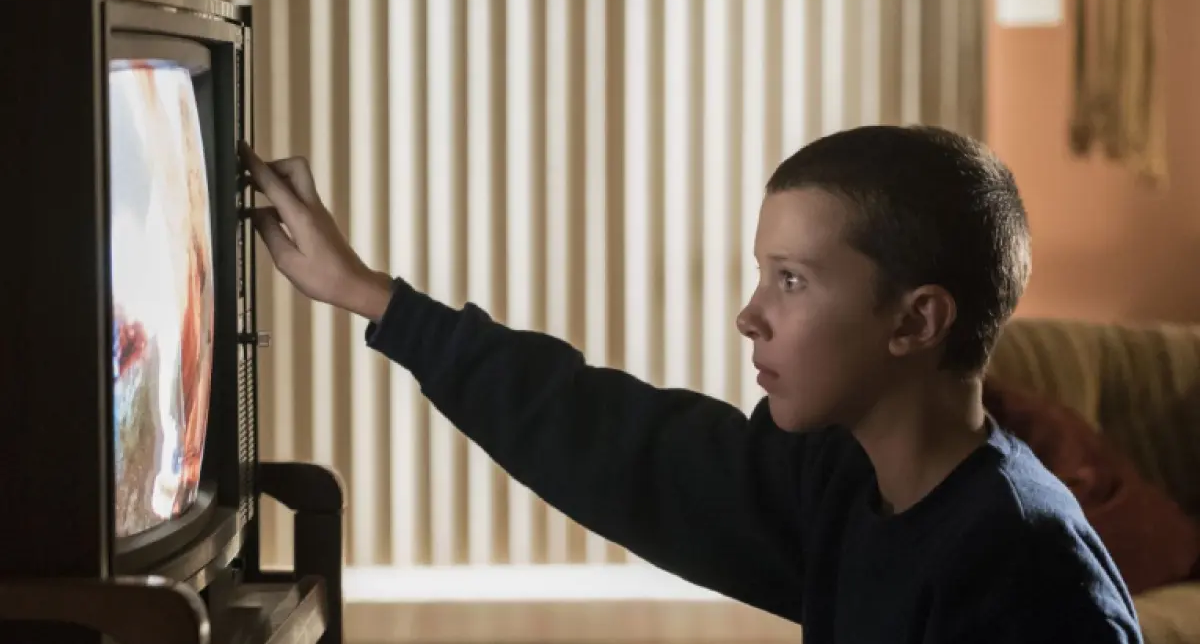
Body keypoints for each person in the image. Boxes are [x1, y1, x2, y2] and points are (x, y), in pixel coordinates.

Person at [240, 125, 1142, 643]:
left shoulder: (1026, 571)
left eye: (791, 280)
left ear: (915, 321)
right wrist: (371, 295)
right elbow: (608, 438)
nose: (750, 315)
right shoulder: (840, 475)